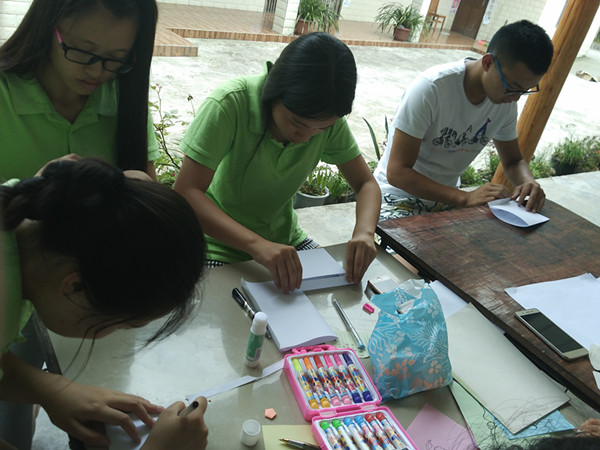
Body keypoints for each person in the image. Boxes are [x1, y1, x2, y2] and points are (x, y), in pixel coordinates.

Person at [0, 158, 209, 449]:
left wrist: (52, 389)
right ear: (74, 286)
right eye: (120, 324)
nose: (110, 334)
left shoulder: (20, 217)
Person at [174, 32, 381, 294]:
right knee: (229, 309)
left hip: (285, 243)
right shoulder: (230, 103)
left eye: (321, 129)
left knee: (339, 295)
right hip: (217, 244)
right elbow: (186, 192)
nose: (305, 137)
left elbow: (366, 183)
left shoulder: (325, 120)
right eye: (297, 123)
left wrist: (365, 232)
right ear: (274, 91)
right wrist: (257, 245)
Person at [374, 20, 554, 220]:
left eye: (525, 91)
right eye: (513, 87)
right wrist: (465, 198)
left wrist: (528, 182)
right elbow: (397, 173)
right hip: (395, 196)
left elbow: (513, 161)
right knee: (412, 242)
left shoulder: (505, 101)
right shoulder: (432, 89)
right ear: (487, 62)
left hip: (447, 201)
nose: (516, 97)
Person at [0, 0, 160, 182]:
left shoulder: (122, 96)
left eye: (116, 57)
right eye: (83, 51)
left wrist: (142, 191)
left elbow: (148, 180)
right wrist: (32, 190)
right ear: (47, 26)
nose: (96, 72)